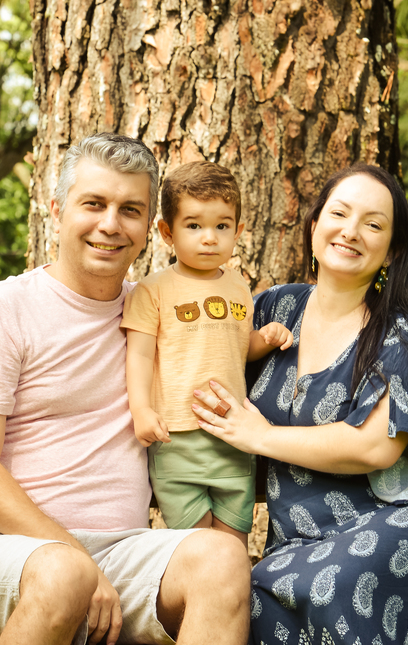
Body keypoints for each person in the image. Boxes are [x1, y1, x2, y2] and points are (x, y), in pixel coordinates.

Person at [0, 133, 251, 645]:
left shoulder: (156, 313)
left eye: (130, 210)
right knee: (64, 576)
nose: (110, 224)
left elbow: (227, 352)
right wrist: (73, 556)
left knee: (222, 558)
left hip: (120, 552)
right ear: (56, 209)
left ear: (151, 228)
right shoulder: (1, 311)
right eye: (94, 203)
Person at [193, 164, 408, 645]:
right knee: (250, 602)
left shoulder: (400, 333)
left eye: (373, 224)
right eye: (339, 213)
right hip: (300, 544)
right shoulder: (274, 308)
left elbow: (374, 448)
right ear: (315, 227)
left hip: (404, 524)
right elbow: (199, 355)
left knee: (335, 585)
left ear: (392, 251)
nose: (351, 231)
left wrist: (260, 436)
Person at [122, 161, 292, 545]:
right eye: (194, 225)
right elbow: (139, 357)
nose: (209, 238)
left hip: (232, 436)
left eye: (222, 226)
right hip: (177, 439)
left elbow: (239, 346)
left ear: (238, 231)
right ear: (167, 231)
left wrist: (265, 338)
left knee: (232, 545)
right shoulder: (153, 290)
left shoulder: (237, 285)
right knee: (198, 550)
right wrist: (142, 411)